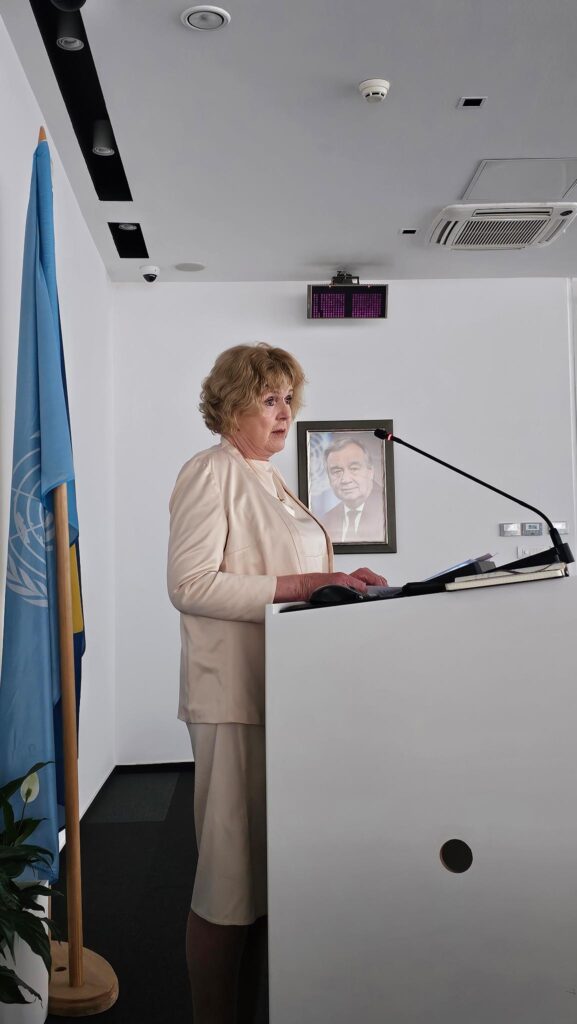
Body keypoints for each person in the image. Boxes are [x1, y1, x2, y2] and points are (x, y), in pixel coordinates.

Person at [167, 343, 387, 1024]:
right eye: (269, 398)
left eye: (290, 397)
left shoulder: (267, 478)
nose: (285, 412)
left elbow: (289, 578)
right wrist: (305, 583)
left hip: (284, 699)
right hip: (234, 699)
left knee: (265, 882)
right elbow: (191, 584)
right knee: (227, 883)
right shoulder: (211, 472)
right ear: (232, 401)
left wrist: (342, 587)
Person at [321, 436, 386, 543]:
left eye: (354, 468)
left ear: (370, 472)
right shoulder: (326, 521)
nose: (345, 479)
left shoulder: (389, 509)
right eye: (337, 471)